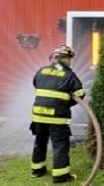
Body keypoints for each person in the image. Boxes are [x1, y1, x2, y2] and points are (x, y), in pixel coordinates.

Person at [30, 44, 86, 183]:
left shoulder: (41, 71)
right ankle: (60, 176)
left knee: (40, 142)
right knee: (60, 144)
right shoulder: (68, 74)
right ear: (66, 59)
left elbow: (37, 86)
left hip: (39, 114)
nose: (70, 62)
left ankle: (37, 170)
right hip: (57, 117)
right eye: (69, 59)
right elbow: (80, 94)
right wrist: (67, 102)